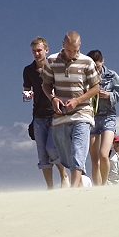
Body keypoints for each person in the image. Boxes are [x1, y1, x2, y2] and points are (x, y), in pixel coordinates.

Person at [41, 31, 99, 187]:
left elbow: (95, 88)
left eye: (75, 50)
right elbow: (45, 84)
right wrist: (53, 98)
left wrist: (78, 100)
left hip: (82, 113)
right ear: (63, 45)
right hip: (61, 115)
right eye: (68, 50)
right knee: (60, 152)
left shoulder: (87, 62)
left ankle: (73, 189)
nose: (72, 53)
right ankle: (82, 181)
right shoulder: (52, 61)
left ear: (79, 46)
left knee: (78, 149)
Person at [23, 37, 69, 189]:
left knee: (52, 148)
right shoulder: (28, 70)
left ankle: (64, 175)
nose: (36, 54)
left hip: (55, 114)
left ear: (46, 50)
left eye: (39, 50)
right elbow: (27, 89)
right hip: (38, 115)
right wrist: (27, 94)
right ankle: (50, 187)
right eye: (34, 51)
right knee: (42, 154)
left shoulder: (55, 67)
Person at [86, 50, 119, 185]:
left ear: (103, 62)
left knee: (104, 154)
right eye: (93, 67)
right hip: (92, 117)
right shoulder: (84, 76)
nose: (96, 69)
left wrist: (110, 95)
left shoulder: (111, 76)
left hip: (108, 117)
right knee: (94, 159)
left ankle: (104, 184)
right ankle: (97, 187)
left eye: (98, 67)